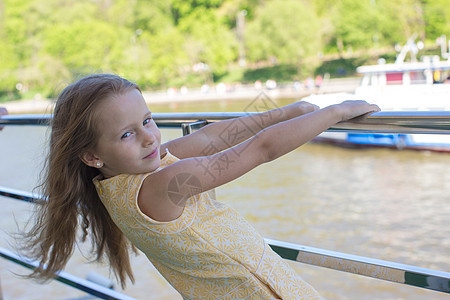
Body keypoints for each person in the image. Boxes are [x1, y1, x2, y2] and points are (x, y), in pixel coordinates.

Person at [21, 74, 379, 299]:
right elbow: (259, 149)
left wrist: (283, 113)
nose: (149, 138)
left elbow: (210, 138)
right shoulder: (161, 185)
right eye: (128, 133)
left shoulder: (120, 180)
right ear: (91, 155)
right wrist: (333, 113)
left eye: (148, 120)